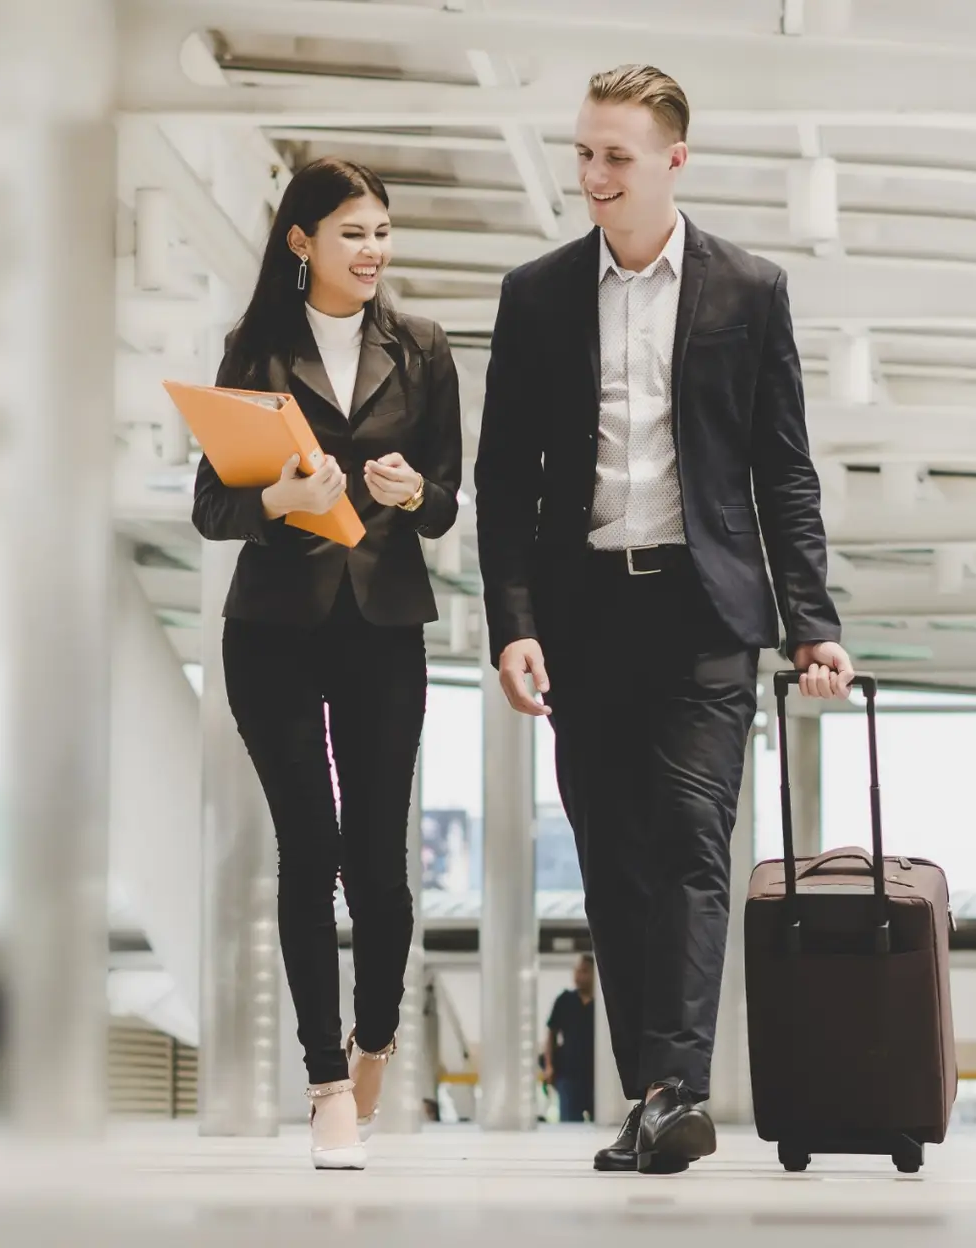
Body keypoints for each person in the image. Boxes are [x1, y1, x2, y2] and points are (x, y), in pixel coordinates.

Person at [474, 64, 854, 1175]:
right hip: (584, 614)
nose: (593, 175)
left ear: (673, 161)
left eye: (616, 156)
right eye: (584, 153)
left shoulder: (749, 289)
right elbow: (504, 482)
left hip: (704, 613)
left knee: (691, 841)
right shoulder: (536, 296)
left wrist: (811, 624)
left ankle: (677, 1092)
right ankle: (649, 1093)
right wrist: (514, 622)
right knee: (613, 860)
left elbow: (784, 473)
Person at [193, 157, 463, 1171]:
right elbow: (213, 507)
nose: (374, 250)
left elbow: (445, 503)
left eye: (383, 231)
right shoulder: (253, 351)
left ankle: (376, 1042)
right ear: (302, 242)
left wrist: (403, 495)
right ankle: (322, 1086)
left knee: (376, 864)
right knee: (307, 853)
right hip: (270, 627)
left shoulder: (424, 350)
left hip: (382, 624)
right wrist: (280, 502)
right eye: (353, 231)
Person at [545, 954, 597, 1123]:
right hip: (569, 1074)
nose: (578, 976)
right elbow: (551, 1035)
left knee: (603, 1124)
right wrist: (549, 1066)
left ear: (594, 974)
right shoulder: (565, 1001)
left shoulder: (602, 1004)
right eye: (576, 971)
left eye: (583, 971)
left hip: (596, 1075)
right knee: (569, 1124)